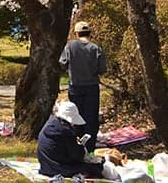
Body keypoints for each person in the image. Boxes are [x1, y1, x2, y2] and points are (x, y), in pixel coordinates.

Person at [38, 100, 119, 180]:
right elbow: (77, 155)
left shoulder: (50, 123)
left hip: (45, 166)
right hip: (59, 168)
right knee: (93, 168)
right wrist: (80, 148)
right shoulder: (65, 131)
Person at [60, 20, 107, 150]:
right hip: (92, 87)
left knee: (76, 115)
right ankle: (90, 146)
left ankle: (77, 144)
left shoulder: (70, 46)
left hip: (75, 86)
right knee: (91, 117)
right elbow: (102, 69)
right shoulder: (96, 48)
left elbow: (63, 63)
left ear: (76, 33)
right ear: (89, 33)